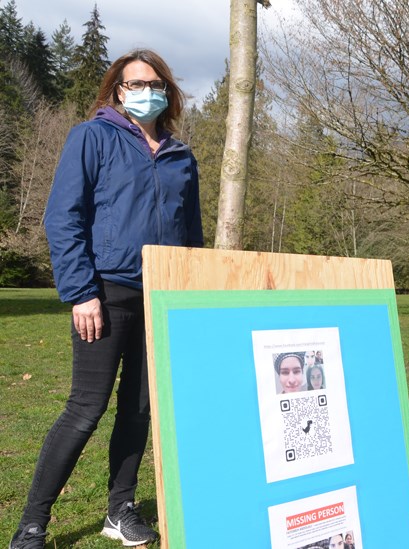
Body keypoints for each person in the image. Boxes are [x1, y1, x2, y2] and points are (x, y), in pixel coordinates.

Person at [7, 49, 203, 549]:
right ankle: (32, 523)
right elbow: (62, 218)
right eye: (135, 83)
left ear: (168, 91)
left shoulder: (181, 157)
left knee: (138, 411)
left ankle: (121, 510)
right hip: (105, 293)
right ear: (117, 91)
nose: (146, 91)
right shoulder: (91, 137)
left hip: (161, 298)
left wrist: (189, 302)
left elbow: (193, 236)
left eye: (155, 82)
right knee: (85, 408)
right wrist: (80, 293)